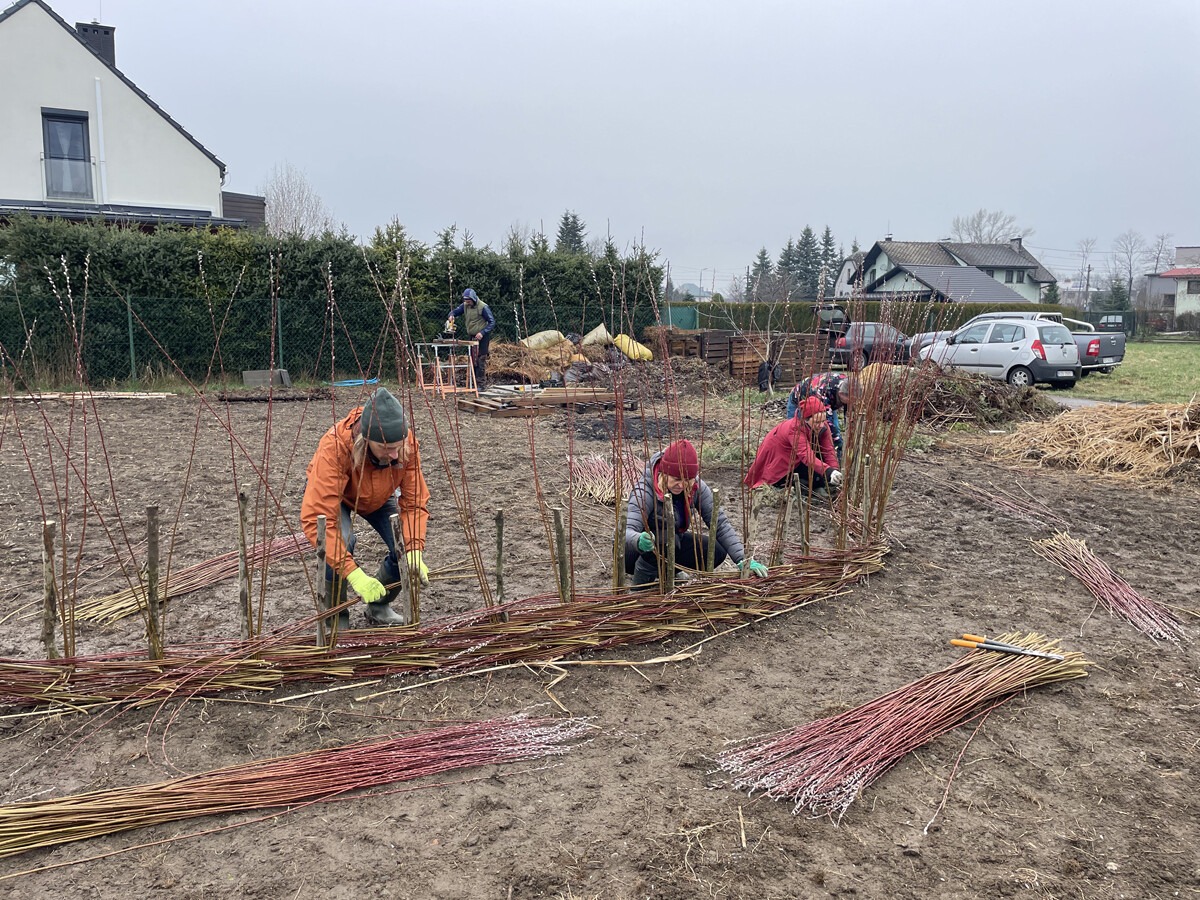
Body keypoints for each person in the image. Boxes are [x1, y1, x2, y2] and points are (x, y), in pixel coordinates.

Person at [301, 387, 431, 627]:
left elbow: (414, 503)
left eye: (398, 446)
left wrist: (413, 548)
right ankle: (335, 618)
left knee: (403, 545)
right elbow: (317, 517)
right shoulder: (335, 446)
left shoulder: (405, 445)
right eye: (385, 447)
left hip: (379, 495)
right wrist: (354, 573)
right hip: (338, 496)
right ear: (366, 440)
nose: (394, 454)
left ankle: (379, 606)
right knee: (341, 540)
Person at [625, 440, 767, 588]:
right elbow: (624, 532)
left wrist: (742, 558)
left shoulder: (696, 488)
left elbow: (720, 524)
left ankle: (670, 570)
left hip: (671, 544)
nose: (682, 485)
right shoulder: (645, 490)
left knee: (716, 550)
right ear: (664, 473)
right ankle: (640, 587)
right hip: (634, 552)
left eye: (688, 480)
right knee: (665, 539)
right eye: (677, 479)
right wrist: (638, 540)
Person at [745, 396, 843, 494]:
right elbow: (806, 455)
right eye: (817, 422)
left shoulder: (823, 426)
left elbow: (828, 450)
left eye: (823, 421)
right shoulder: (794, 429)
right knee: (816, 478)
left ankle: (810, 485)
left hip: (797, 458)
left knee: (820, 476)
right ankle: (791, 485)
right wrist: (827, 471)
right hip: (781, 463)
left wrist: (834, 471)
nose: (821, 425)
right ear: (806, 419)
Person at [786, 372, 850, 458]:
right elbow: (826, 422)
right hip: (799, 399)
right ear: (841, 394)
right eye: (851, 400)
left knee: (835, 430)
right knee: (799, 434)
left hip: (827, 399)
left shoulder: (847, 383)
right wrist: (839, 443)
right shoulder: (823, 392)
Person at [444, 288, 496, 389]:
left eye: (469, 301)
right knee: (473, 360)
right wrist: (451, 315)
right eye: (466, 301)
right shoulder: (465, 305)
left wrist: (483, 332)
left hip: (482, 337)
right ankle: (473, 383)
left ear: (473, 299)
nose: (467, 303)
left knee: (481, 360)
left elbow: (492, 322)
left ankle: (481, 384)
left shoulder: (483, 307)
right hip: (472, 337)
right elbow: (455, 311)